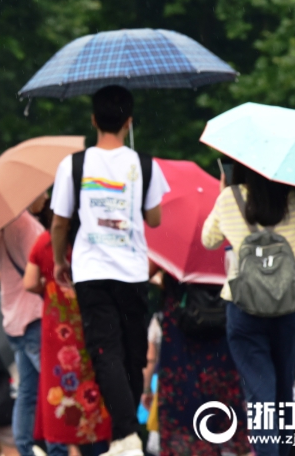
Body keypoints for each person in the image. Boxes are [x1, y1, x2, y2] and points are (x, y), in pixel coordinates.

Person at [50, 85, 169, 456]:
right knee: (133, 355)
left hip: (91, 271)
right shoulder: (145, 164)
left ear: (93, 120)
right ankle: (126, 435)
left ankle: (125, 436)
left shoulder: (74, 165)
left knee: (107, 352)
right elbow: (155, 218)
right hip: (133, 273)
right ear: (129, 121)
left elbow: (59, 222)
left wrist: (59, 260)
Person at [201, 162, 295, 456]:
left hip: (243, 307)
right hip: (290, 307)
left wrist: (224, 197)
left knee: (260, 396)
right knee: (284, 391)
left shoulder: (230, 198)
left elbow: (209, 240)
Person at [24, 220, 111, 456]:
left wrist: (48, 284)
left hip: (57, 326)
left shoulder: (44, 242)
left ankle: (71, 447)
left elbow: (29, 282)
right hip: (90, 316)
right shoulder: (92, 234)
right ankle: (104, 441)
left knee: (60, 382)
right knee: (97, 378)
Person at [151, 272, 250, 456]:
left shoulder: (177, 258)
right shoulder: (234, 256)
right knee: (225, 400)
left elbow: (148, 270)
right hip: (224, 323)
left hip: (181, 328)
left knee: (184, 404)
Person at [0, 198, 45, 456]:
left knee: (27, 392)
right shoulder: (26, 225)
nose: (45, 198)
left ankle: (25, 448)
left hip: (15, 318)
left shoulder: (5, 225)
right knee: (53, 386)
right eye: (43, 193)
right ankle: (59, 448)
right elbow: (40, 271)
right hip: (33, 315)